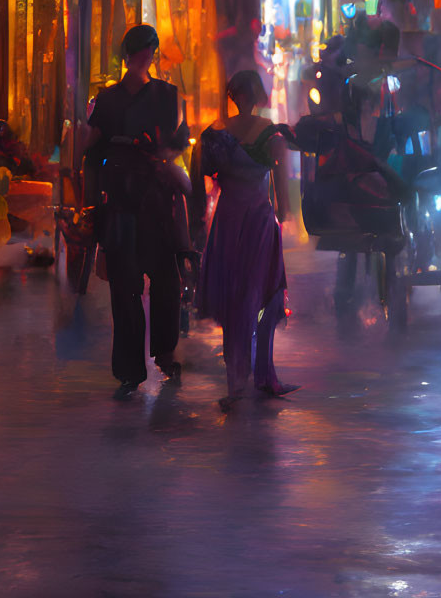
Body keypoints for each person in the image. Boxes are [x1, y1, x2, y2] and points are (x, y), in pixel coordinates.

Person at [84, 25, 191, 399]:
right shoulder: (108, 99)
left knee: (165, 281)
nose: (144, 56)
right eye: (141, 50)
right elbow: (91, 153)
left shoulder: (167, 95)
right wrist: (91, 205)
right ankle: (130, 367)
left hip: (155, 199)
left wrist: (160, 154)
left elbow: (176, 143)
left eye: (148, 50)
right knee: (125, 287)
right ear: (131, 55)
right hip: (120, 201)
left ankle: (163, 353)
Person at [192, 70, 295, 409]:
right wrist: (286, 214)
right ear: (258, 96)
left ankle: (235, 380)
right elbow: (284, 196)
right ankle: (262, 375)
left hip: (227, 222)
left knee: (233, 297)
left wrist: (196, 224)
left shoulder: (214, 135)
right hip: (259, 222)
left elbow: (198, 182)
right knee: (265, 296)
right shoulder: (271, 135)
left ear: (233, 96)